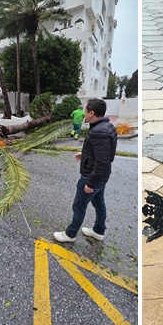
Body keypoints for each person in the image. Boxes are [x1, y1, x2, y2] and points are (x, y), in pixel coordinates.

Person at [54, 98, 116, 243]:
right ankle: (98, 231)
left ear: (91, 113)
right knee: (99, 203)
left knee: (79, 206)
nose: (84, 114)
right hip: (101, 176)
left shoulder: (99, 132)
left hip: (92, 176)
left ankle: (70, 234)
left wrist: (90, 183)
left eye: (85, 111)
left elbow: (102, 161)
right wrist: (85, 154)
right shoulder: (107, 126)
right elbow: (103, 153)